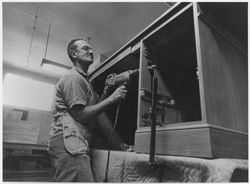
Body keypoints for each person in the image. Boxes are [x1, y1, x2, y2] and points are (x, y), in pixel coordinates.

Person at [48, 38, 127, 182]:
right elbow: (81, 115)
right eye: (85, 48)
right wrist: (112, 98)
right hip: (68, 140)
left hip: (75, 140)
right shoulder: (73, 78)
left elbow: (95, 110)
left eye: (91, 49)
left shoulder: (85, 81)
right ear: (74, 54)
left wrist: (106, 91)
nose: (90, 51)